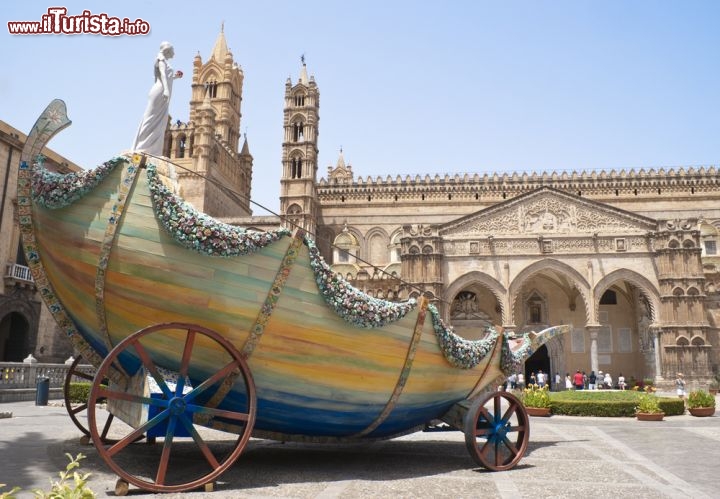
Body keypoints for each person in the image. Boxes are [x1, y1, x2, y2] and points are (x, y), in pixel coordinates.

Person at [132, 41, 183, 156]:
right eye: (172, 51)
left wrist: (175, 77)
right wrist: (165, 89)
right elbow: (163, 75)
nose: (174, 54)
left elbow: (167, 76)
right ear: (167, 50)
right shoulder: (160, 59)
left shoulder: (165, 61)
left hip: (163, 90)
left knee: (160, 121)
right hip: (159, 90)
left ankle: (152, 150)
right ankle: (142, 147)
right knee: (151, 118)